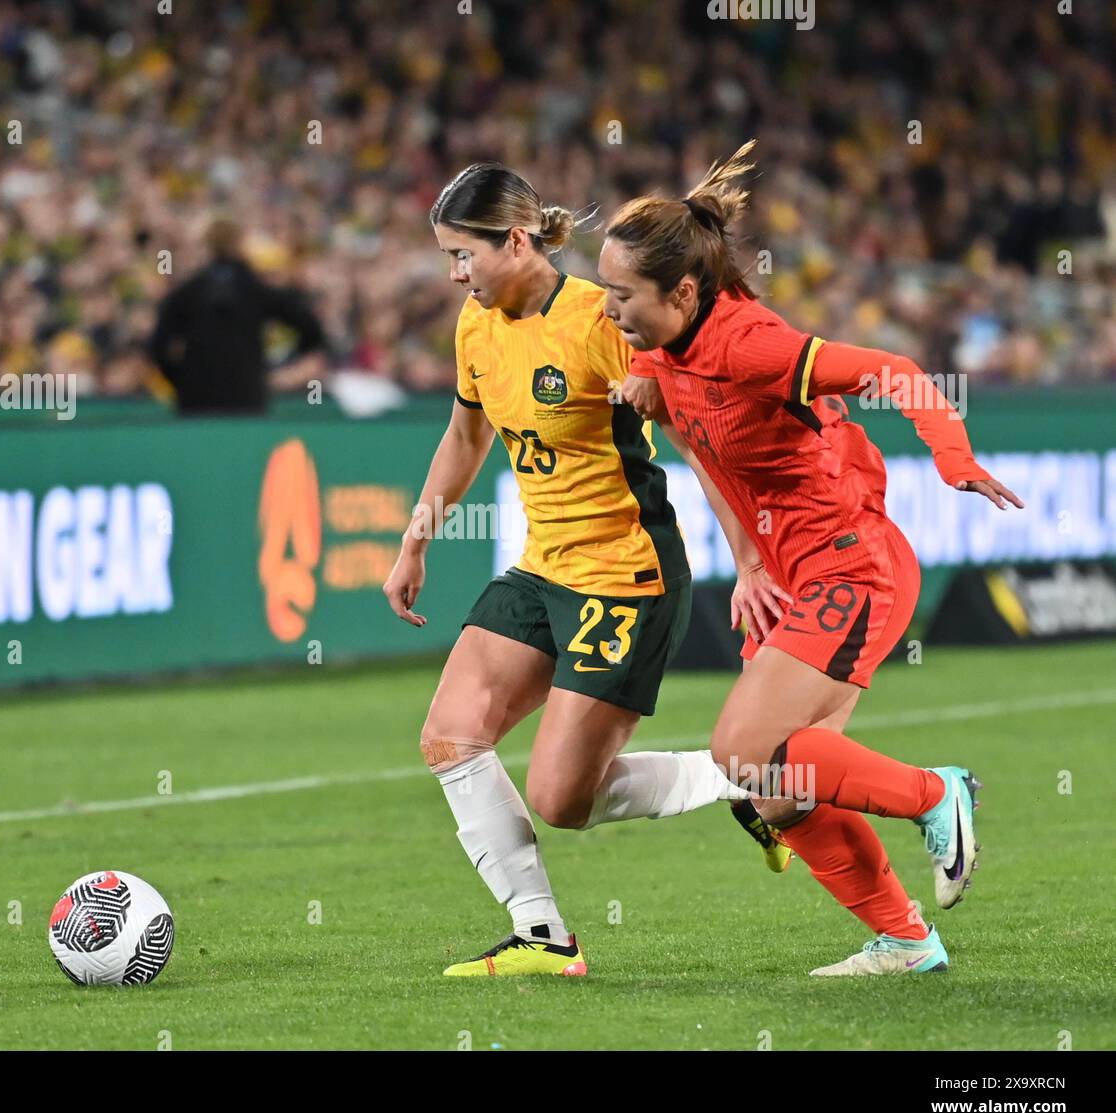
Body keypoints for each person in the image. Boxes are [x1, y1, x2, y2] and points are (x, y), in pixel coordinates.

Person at [603, 140, 1025, 976]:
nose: (608, 308)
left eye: (621, 294)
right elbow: (702, 447)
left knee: (740, 750)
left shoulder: (750, 344)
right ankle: (907, 942)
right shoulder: (661, 345)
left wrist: (954, 457)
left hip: (853, 564)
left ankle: (938, 793)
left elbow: (896, 371)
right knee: (777, 790)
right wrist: (750, 561)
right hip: (793, 574)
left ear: (683, 292)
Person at [382, 163, 748, 978]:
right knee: (449, 735)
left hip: (626, 573)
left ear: (515, 239)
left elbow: (697, 432)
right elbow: (466, 437)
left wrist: (750, 560)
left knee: (562, 800)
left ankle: (746, 775)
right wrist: (417, 538)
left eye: (462, 254)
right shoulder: (476, 325)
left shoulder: (599, 318)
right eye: (446, 257)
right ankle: (542, 935)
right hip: (543, 567)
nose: (454, 274)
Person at [149, 219, 327, 414]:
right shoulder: (256, 290)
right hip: (247, 400)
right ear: (238, 243)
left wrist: (182, 379)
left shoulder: (187, 292)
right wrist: (279, 366)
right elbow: (310, 327)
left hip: (196, 402)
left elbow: (158, 346)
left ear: (208, 245)